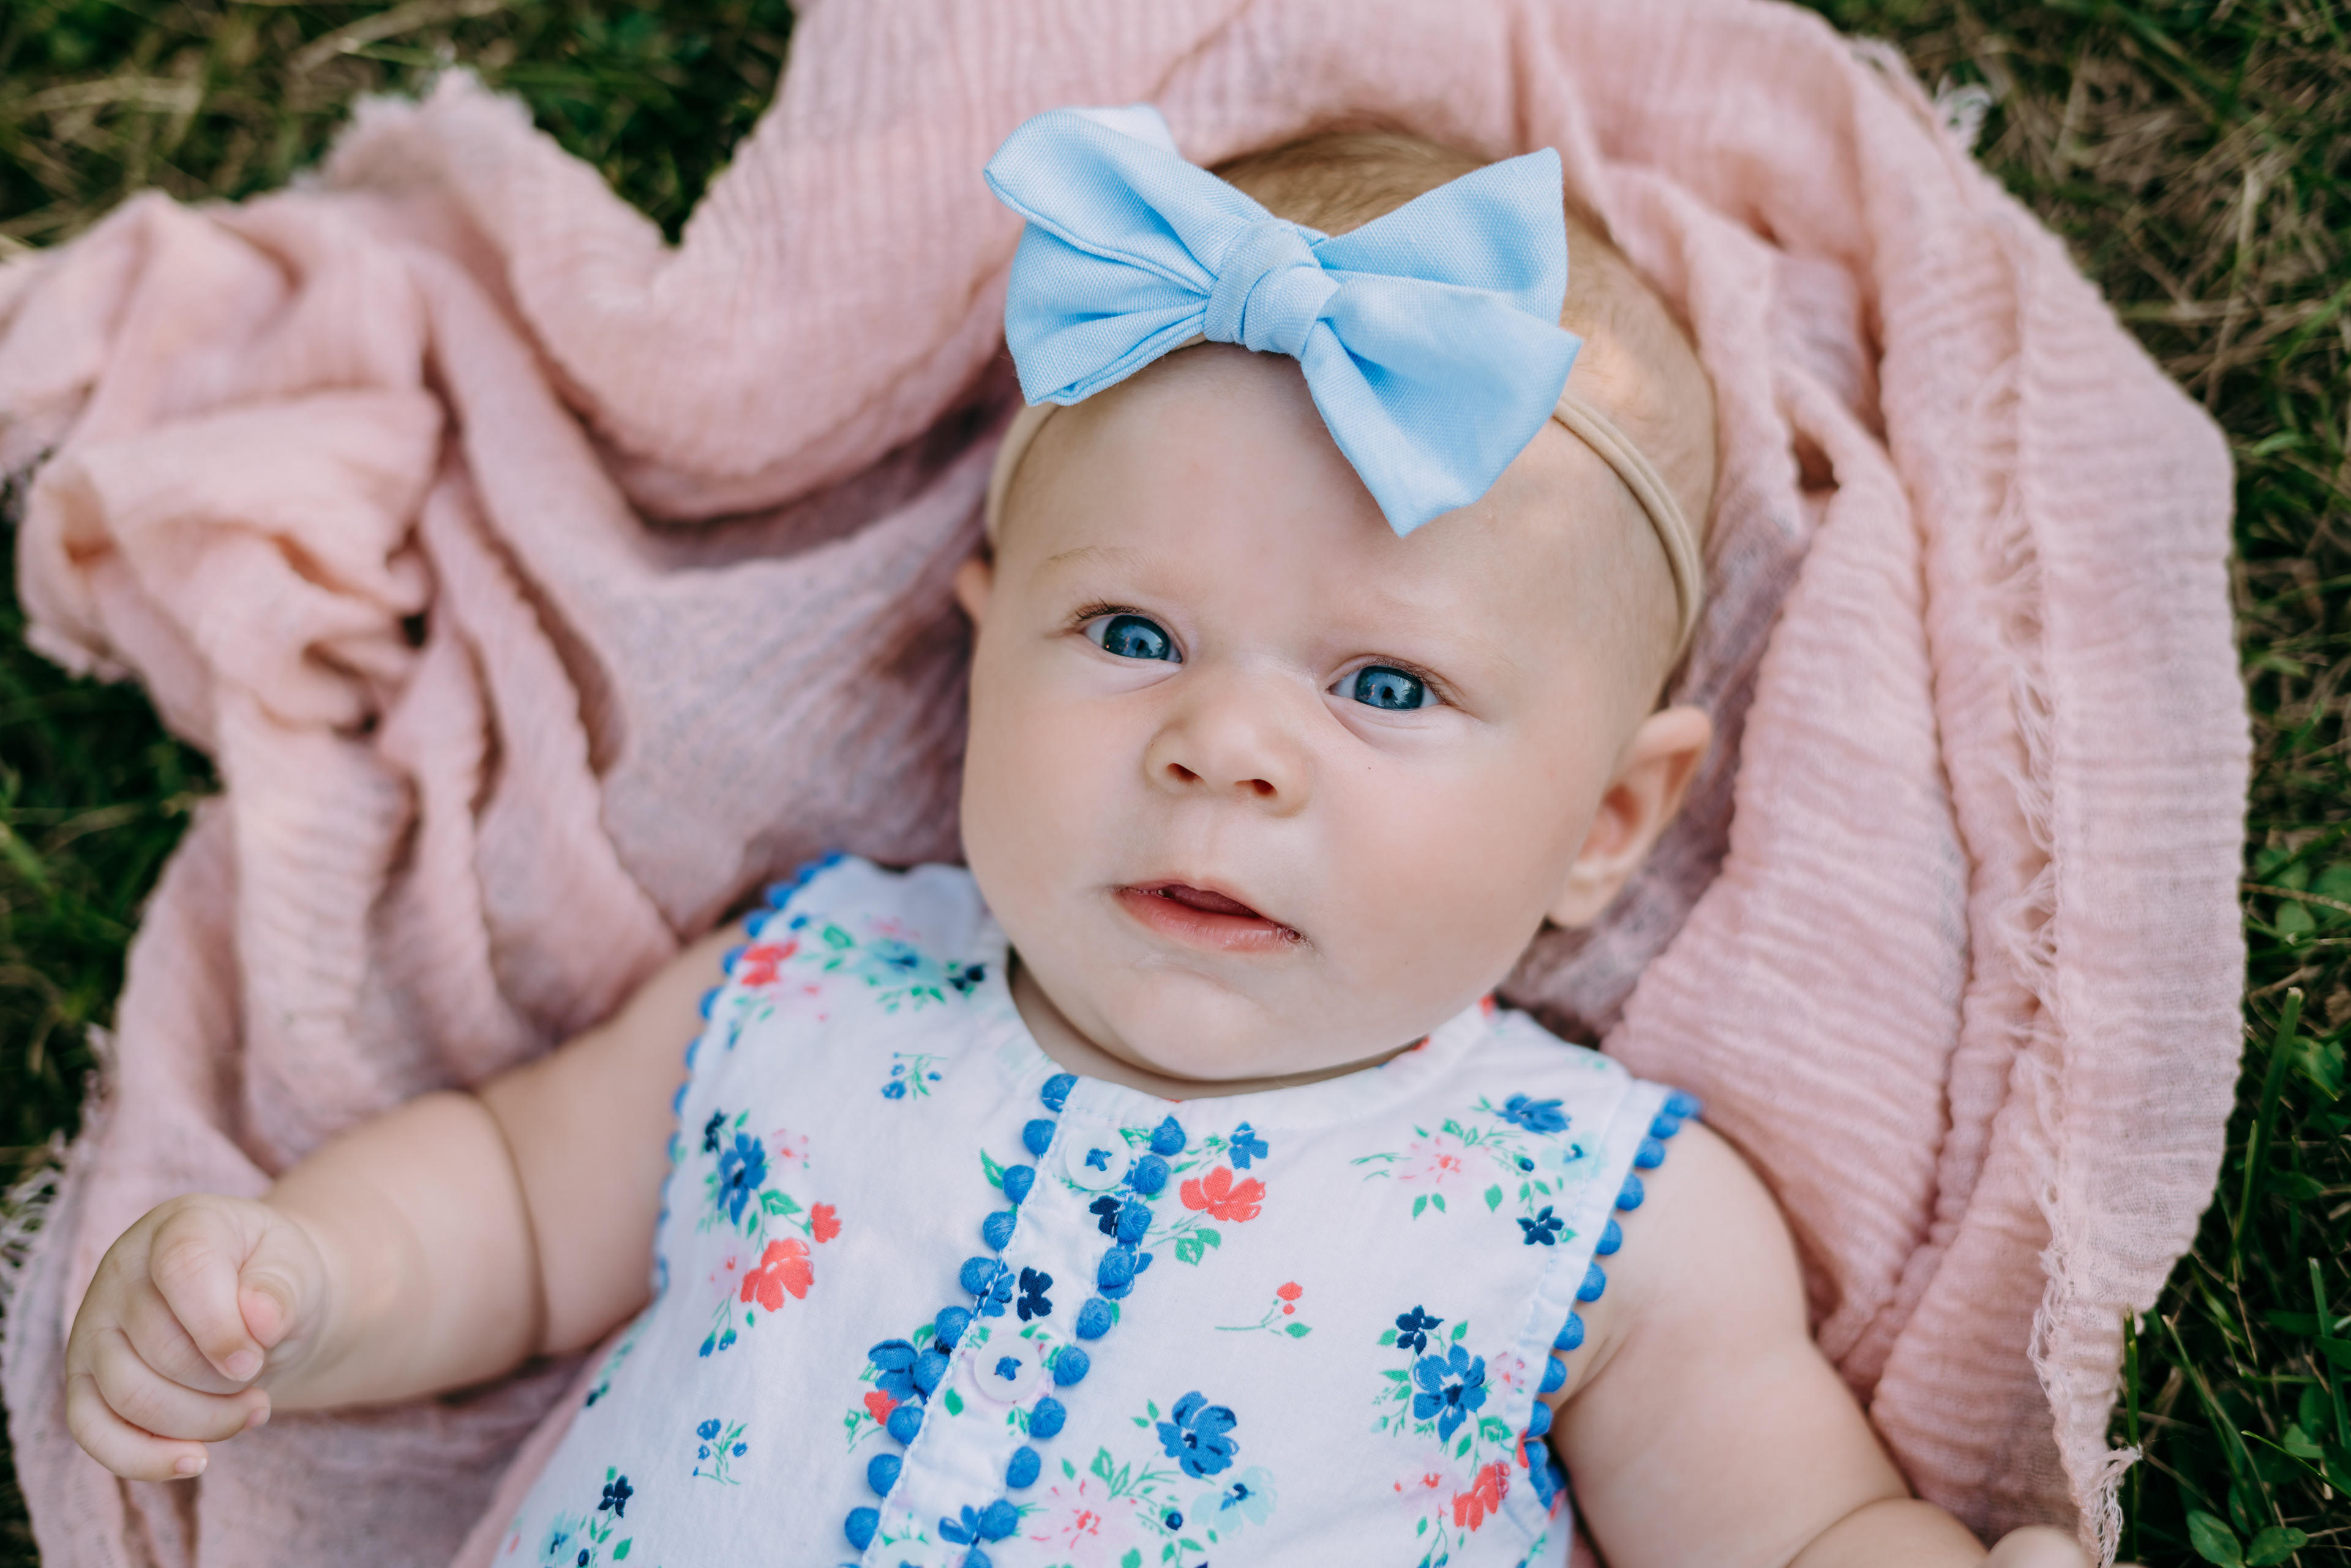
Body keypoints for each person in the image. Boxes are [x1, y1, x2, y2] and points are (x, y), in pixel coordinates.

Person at [60, 106, 2093, 1567]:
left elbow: (1791, 1524)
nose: (1224, 745)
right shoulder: (810, 981)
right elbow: (513, 1206)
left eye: (1386, 685)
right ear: (981, 655)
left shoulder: (1601, 1210)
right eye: (1131, 635)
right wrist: (302, 1276)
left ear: (1610, 819)